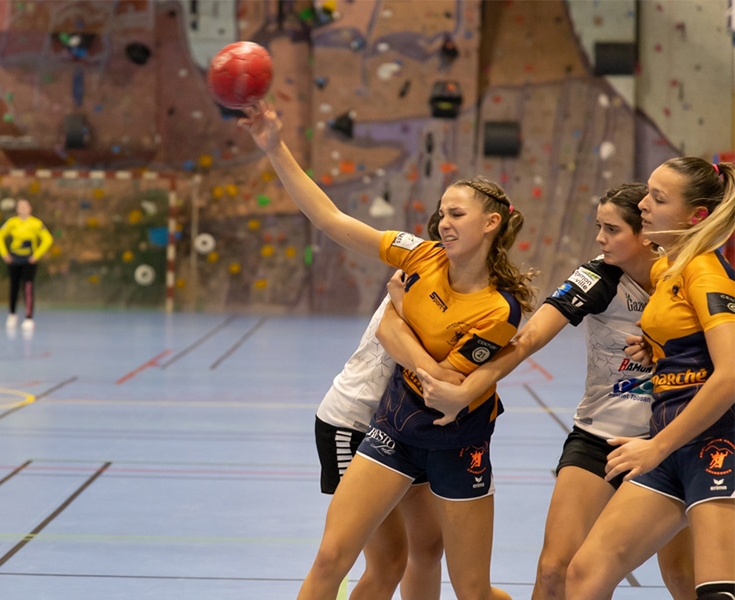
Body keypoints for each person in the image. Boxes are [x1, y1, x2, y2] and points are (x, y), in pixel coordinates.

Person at [239, 100, 536, 600]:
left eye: (456, 213)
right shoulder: (420, 255)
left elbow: (444, 389)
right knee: (342, 556)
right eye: (441, 212)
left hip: (453, 440)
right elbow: (332, 220)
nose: (442, 221)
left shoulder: (496, 309)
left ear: (490, 224)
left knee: (452, 574)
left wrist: (399, 320)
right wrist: (275, 148)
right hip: (381, 423)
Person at [405, 182, 695, 599]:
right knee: (554, 569)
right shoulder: (598, 277)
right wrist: (465, 390)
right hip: (600, 437)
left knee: (684, 576)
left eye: (612, 229)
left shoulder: (690, 277)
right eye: (599, 226)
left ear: (644, 233)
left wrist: (664, 349)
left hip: (670, 441)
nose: (599, 238)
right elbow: (527, 340)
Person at [563, 158, 735, 600]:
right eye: (647, 194)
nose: (643, 204)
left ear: (695, 218)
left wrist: (656, 446)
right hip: (671, 449)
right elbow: (685, 333)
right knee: (585, 574)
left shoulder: (705, 272)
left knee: (714, 590)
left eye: (658, 199)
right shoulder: (668, 269)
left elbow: (730, 374)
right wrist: (658, 346)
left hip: (715, 446)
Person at [314, 210, 452, 599]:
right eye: (447, 217)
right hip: (354, 423)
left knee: (427, 546)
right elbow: (420, 354)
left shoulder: (479, 292)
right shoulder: (419, 272)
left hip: (409, 427)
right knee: (377, 558)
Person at [0, 198, 53, 331]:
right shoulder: (12, 222)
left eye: (25, 206)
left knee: (27, 286)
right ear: (17, 209)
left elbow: (47, 239)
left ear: (30, 208)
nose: (23, 209)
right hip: (14, 259)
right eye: (20, 206)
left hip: (28, 260)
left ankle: (28, 317)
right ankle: (12, 313)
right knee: (13, 286)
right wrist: (4, 254)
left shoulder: (36, 223)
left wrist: (36, 255)